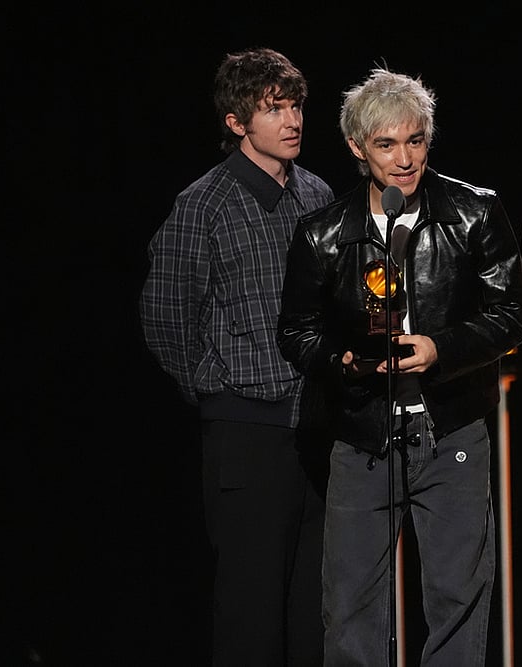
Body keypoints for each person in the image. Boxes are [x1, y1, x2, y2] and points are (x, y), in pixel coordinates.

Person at [277, 67, 522, 666]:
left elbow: (513, 314)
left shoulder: (474, 214)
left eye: (415, 141)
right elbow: (295, 332)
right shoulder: (324, 234)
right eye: (387, 145)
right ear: (357, 148)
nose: (404, 159)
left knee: (459, 597)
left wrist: (441, 348)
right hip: (362, 436)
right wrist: (341, 361)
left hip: (452, 433)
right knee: (351, 608)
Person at [139, 47, 334, 667]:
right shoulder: (204, 204)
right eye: (273, 109)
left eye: (296, 104)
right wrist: (215, 383)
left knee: (315, 609)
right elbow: (166, 315)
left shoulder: (317, 193)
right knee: (251, 614)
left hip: (317, 428)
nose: (292, 119)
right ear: (235, 121)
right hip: (246, 431)